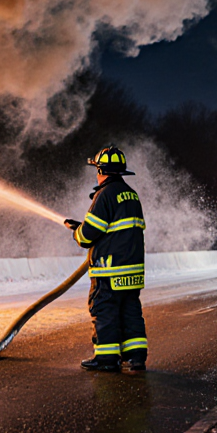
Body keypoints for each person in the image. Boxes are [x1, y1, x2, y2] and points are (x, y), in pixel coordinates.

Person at [63, 146, 148, 372]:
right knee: (130, 312)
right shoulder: (131, 195)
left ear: (101, 170)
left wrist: (77, 231)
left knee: (105, 311)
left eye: (97, 170)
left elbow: (89, 234)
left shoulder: (105, 195)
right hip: (132, 271)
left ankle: (107, 359)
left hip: (109, 271)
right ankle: (137, 357)